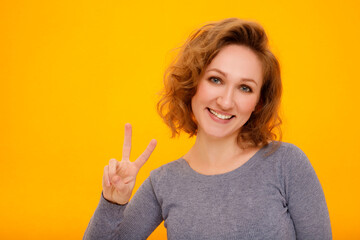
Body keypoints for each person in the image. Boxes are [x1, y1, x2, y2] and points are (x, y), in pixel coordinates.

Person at [83, 18, 332, 239]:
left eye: (245, 87)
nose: (225, 101)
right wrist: (112, 202)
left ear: (258, 103)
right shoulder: (163, 182)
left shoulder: (287, 164)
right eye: (216, 79)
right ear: (193, 83)